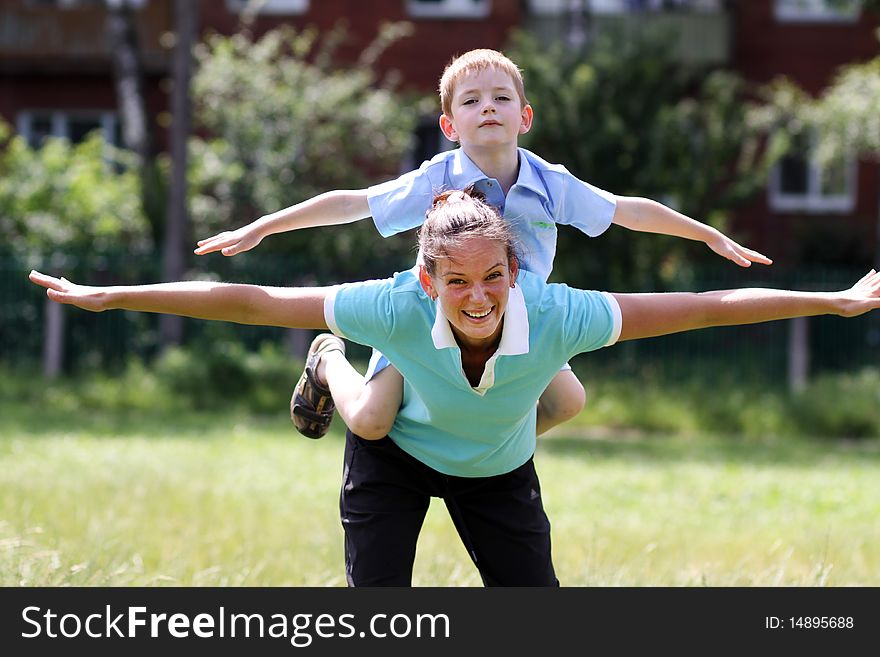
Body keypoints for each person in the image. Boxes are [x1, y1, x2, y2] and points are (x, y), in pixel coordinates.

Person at [29, 190, 880, 587]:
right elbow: (250, 299)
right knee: (373, 502)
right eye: (458, 281)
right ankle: (331, 358)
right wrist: (113, 294)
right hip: (396, 459)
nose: (477, 295)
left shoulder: (558, 313)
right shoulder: (396, 305)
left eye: (493, 278)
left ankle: (429, 396)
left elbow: (703, 308)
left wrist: (832, 301)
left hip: (497, 472)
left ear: (516, 270)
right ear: (429, 281)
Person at [193, 48, 772, 440]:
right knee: (371, 422)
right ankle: (327, 361)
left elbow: (628, 212)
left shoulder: (553, 184)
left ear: (523, 116)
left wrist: (708, 234)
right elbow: (351, 202)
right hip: (432, 316)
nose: (486, 107)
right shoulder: (435, 179)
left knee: (568, 402)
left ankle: (474, 445)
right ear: (450, 126)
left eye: (499, 98)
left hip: (518, 321)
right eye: (470, 102)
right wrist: (261, 226)